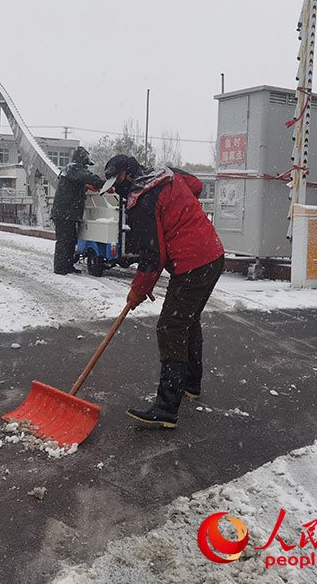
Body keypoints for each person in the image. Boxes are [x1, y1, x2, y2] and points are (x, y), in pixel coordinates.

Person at [100, 154, 225, 428]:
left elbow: (152, 256)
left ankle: (166, 408)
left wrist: (137, 292)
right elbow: (195, 184)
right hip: (212, 255)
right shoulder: (165, 175)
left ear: (128, 176)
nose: (114, 190)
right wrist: (176, 206)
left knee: (170, 327)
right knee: (187, 321)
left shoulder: (143, 201)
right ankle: (190, 385)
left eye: (115, 183)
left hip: (193, 262)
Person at [49, 146, 104, 275]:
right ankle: (60, 267)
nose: (86, 167)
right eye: (85, 164)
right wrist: (103, 183)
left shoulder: (70, 171)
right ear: (81, 160)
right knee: (64, 240)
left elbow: (77, 185)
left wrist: (86, 188)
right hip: (64, 213)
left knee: (71, 240)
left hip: (67, 213)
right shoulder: (73, 168)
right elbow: (87, 177)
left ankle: (68, 265)